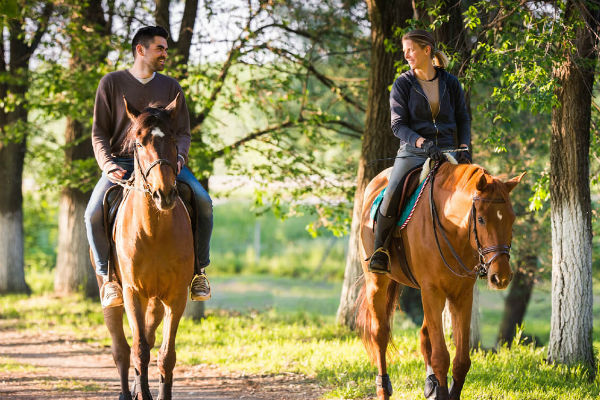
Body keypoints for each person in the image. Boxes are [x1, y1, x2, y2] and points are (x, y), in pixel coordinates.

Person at [84, 26, 213, 307]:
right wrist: (106, 164)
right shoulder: (111, 83)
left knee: (203, 201)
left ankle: (199, 273)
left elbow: (183, 133)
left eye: (166, 49)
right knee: (93, 213)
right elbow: (99, 133)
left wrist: (179, 157)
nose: (165, 53)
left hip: (165, 162)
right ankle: (109, 279)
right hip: (121, 161)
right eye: (160, 48)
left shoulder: (171, 87)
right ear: (140, 50)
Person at [368, 29, 471, 273]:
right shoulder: (402, 84)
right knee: (392, 192)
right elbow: (398, 126)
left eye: (410, 50)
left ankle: (478, 252)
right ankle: (380, 251)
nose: (407, 56)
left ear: (426, 50)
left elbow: (463, 119)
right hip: (414, 152)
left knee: (479, 192)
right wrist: (422, 143)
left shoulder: (451, 83)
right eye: (404, 52)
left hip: (449, 151)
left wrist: (465, 146)